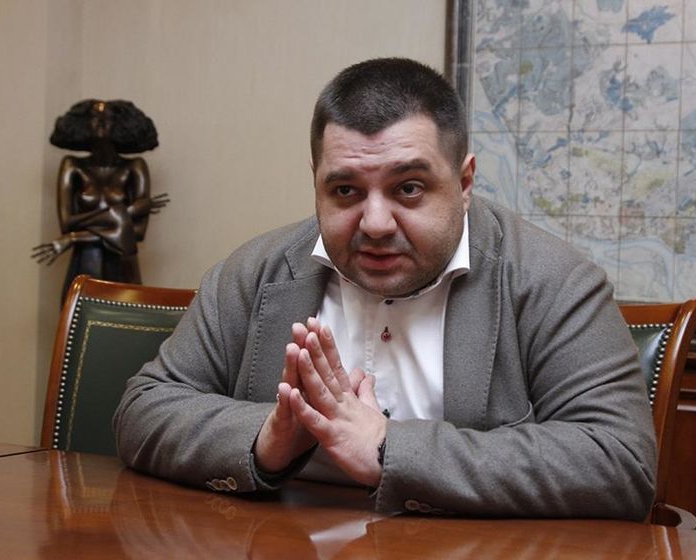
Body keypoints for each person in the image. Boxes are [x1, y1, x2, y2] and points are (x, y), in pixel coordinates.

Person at [113, 58, 656, 519]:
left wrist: (385, 448)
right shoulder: (254, 271)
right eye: (345, 190)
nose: (374, 223)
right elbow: (145, 408)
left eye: (409, 188)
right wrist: (267, 440)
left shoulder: (554, 281)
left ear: (464, 182)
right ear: (316, 181)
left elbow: (618, 461)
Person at [32, 99, 169, 300]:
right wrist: (126, 213)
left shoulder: (135, 167)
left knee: (125, 316)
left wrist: (73, 238)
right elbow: (67, 223)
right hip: (85, 262)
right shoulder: (72, 166)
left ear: (120, 125)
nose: (101, 122)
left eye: (108, 118)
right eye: (95, 117)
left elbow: (137, 233)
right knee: (79, 315)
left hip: (123, 263)